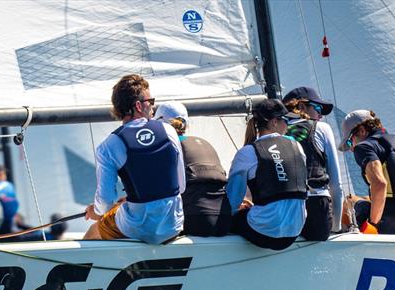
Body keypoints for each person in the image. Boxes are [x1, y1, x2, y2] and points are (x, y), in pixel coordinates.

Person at [83, 74, 185, 244]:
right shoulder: (169, 131)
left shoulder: (108, 146)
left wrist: (95, 211)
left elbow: (105, 203)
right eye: (150, 102)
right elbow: (180, 186)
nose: (153, 107)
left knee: (98, 227)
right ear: (138, 105)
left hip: (137, 228)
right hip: (172, 225)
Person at [226, 99, 308, 250]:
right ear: (274, 122)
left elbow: (233, 199)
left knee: (231, 219)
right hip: (295, 231)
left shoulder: (247, 152)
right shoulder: (297, 146)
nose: (288, 125)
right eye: (286, 120)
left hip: (263, 233)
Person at [154, 101, 230, 237]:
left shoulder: (166, 147)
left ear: (159, 122)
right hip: (224, 220)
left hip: (194, 221)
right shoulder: (205, 143)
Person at [282, 87, 344, 240]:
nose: (320, 115)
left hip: (282, 209)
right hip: (316, 208)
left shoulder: (271, 132)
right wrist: (336, 226)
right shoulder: (322, 128)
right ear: (301, 107)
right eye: (317, 108)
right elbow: (336, 183)